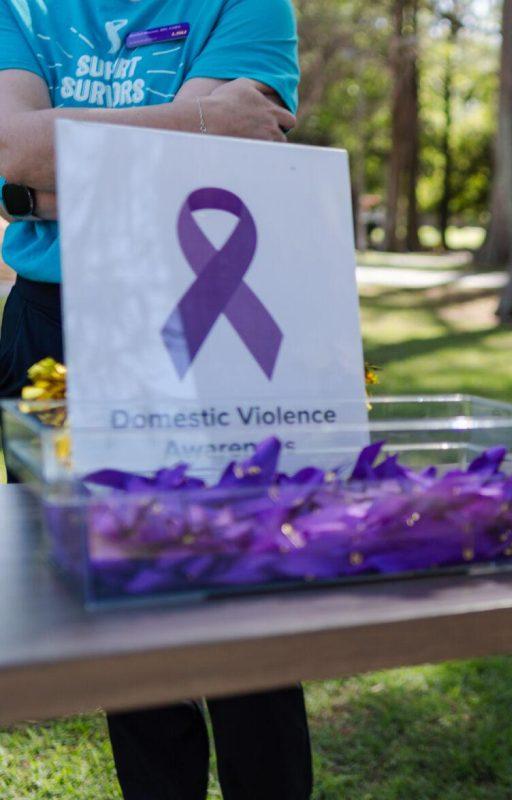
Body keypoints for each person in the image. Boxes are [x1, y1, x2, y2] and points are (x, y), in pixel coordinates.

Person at [0, 2, 312, 798]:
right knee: (114, 608)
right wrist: (201, 118)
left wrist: (36, 189)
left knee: (246, 612)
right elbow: (13, 146)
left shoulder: (247, 7)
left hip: (207, 308)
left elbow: (197, 185)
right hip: (50, 326)